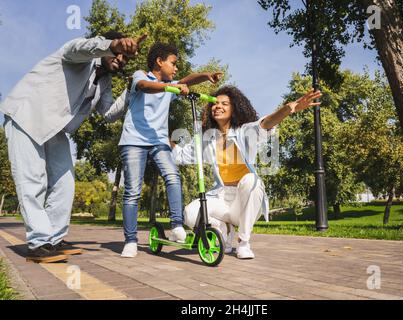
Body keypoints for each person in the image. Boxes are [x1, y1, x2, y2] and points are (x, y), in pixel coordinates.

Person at [0, 31, 145, 263]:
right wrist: (113, 44)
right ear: (106, 47)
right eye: (117, 54)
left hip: (55, 129)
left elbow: (108, 113)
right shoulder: (80, 53)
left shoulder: (104, 81)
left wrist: (132, 90)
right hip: (27, 113)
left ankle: (54, 239)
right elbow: (81, 48)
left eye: (125, 58)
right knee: (33, 179)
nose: (120, 59)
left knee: (65, 182)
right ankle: (39, 243)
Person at [172, 85, 322, 259]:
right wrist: (165, 139)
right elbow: (181, 155)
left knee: (252, 179)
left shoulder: (244, 131)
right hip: (220, 197)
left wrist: (288, 109)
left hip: (244, 198)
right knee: (190, 214)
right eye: (214, 103)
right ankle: (224, 231)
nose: (217, 106)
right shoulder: (207, 138)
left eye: (224, 103)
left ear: (234, 108)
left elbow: (265, 124)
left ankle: (244, 243)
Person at [118, 42, 222, 258]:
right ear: (159, 61)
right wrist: (170, 87)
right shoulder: (140, 76)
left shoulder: (171, 84)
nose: (176, 69)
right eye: (173, 64)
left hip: (159, 142)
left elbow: (185, 81)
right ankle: (130, 240)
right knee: (132, 192)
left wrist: (206, 75)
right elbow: (145, 86)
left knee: (173, 176)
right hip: (133, 140)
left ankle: (176, 226)